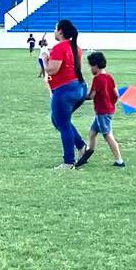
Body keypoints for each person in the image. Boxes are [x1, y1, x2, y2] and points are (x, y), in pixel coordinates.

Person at [45, 19, 88, 168]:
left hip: (65, 90)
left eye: (55, 29)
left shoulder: (59, 47)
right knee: (59, 120)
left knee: (62, 124)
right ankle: (82, 147)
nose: (54, 31)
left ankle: (69, 162)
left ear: (61, 31)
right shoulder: (76, 47)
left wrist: (45, 61)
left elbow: (52, 70)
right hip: (79, 88)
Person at [75, 51, 125, 168]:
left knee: (107, 135)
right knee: (92, 133)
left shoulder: (98, 79)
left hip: (102, 112)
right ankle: (87, 155)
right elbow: (117, 94)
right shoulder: (109, 77)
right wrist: (111, 104)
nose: (90, 69)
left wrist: (80, 96)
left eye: (91, 66)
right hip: (106, 110)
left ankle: (119, 160)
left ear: (96, 65)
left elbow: (91, 95)